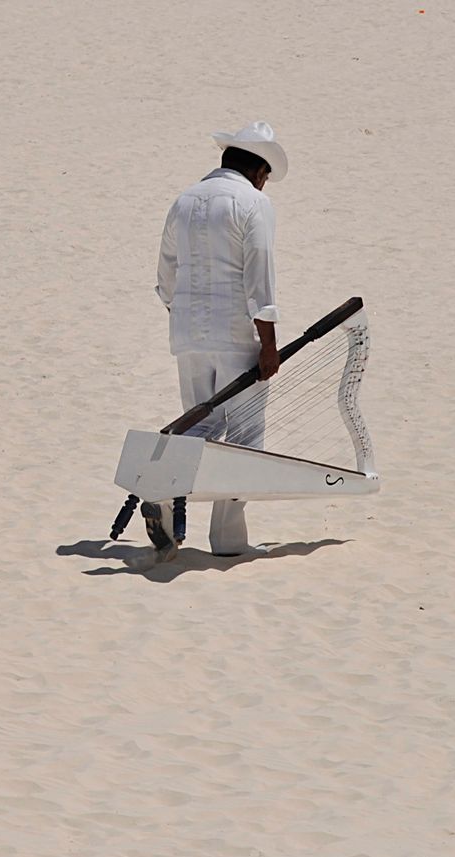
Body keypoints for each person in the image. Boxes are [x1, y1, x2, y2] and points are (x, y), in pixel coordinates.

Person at [154, 121, 287, 556]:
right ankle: (228, 542)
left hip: (188, 334)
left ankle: (162, 499)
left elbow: (166, 275)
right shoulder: (254, 203)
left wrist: (186, 318)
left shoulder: (184, 200)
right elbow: (259, 280)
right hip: (235, 336)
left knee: (200, 428)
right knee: (245, 438)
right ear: (259, 171)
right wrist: (268, 345)